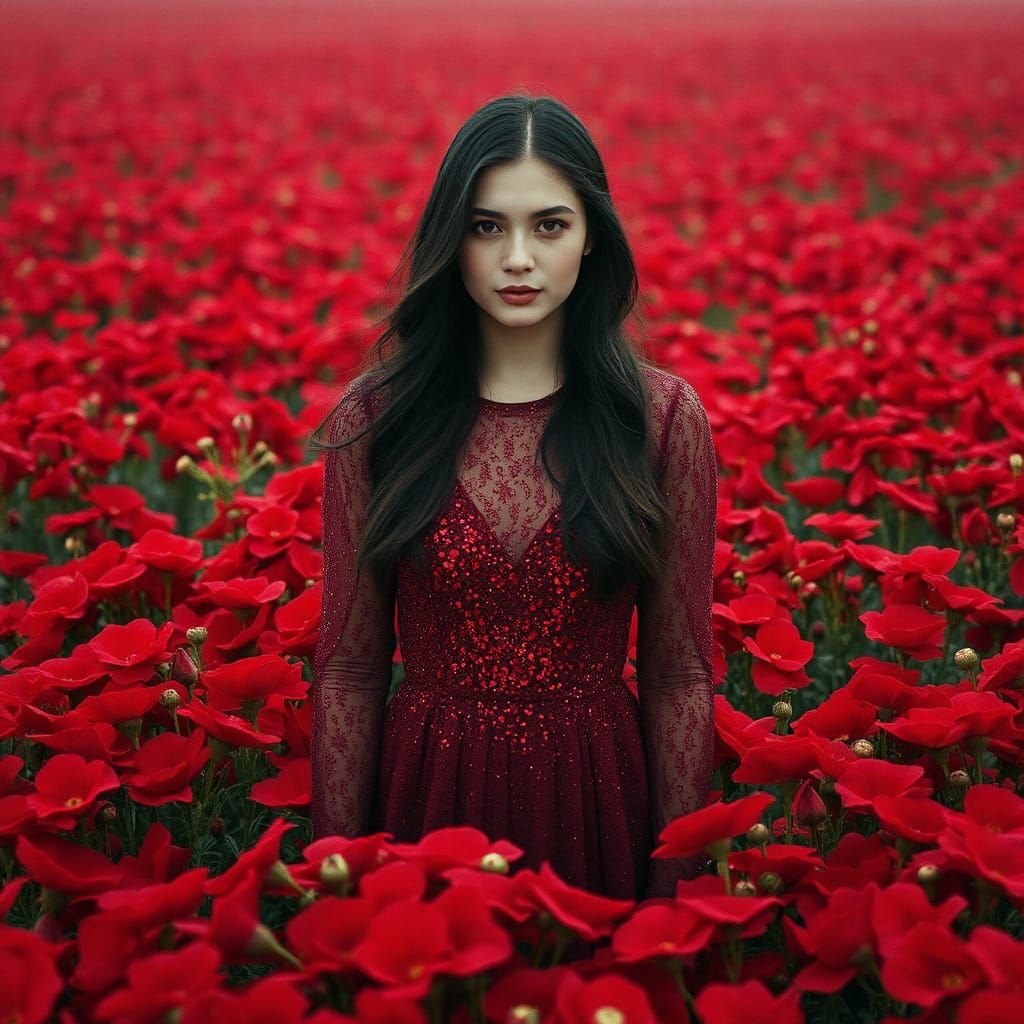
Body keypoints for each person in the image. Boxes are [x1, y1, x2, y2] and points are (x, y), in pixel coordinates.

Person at [308, 94, 718, 903]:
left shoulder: (663, 420)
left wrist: (677, 898)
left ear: (593, 235)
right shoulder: (377, 417)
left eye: (550, 226)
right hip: (428, 795)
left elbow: (680, 676)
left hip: (598, 800)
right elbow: (350, 669)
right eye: (487, 226)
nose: (518, 258)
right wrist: (339, 884)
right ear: (450, 238)